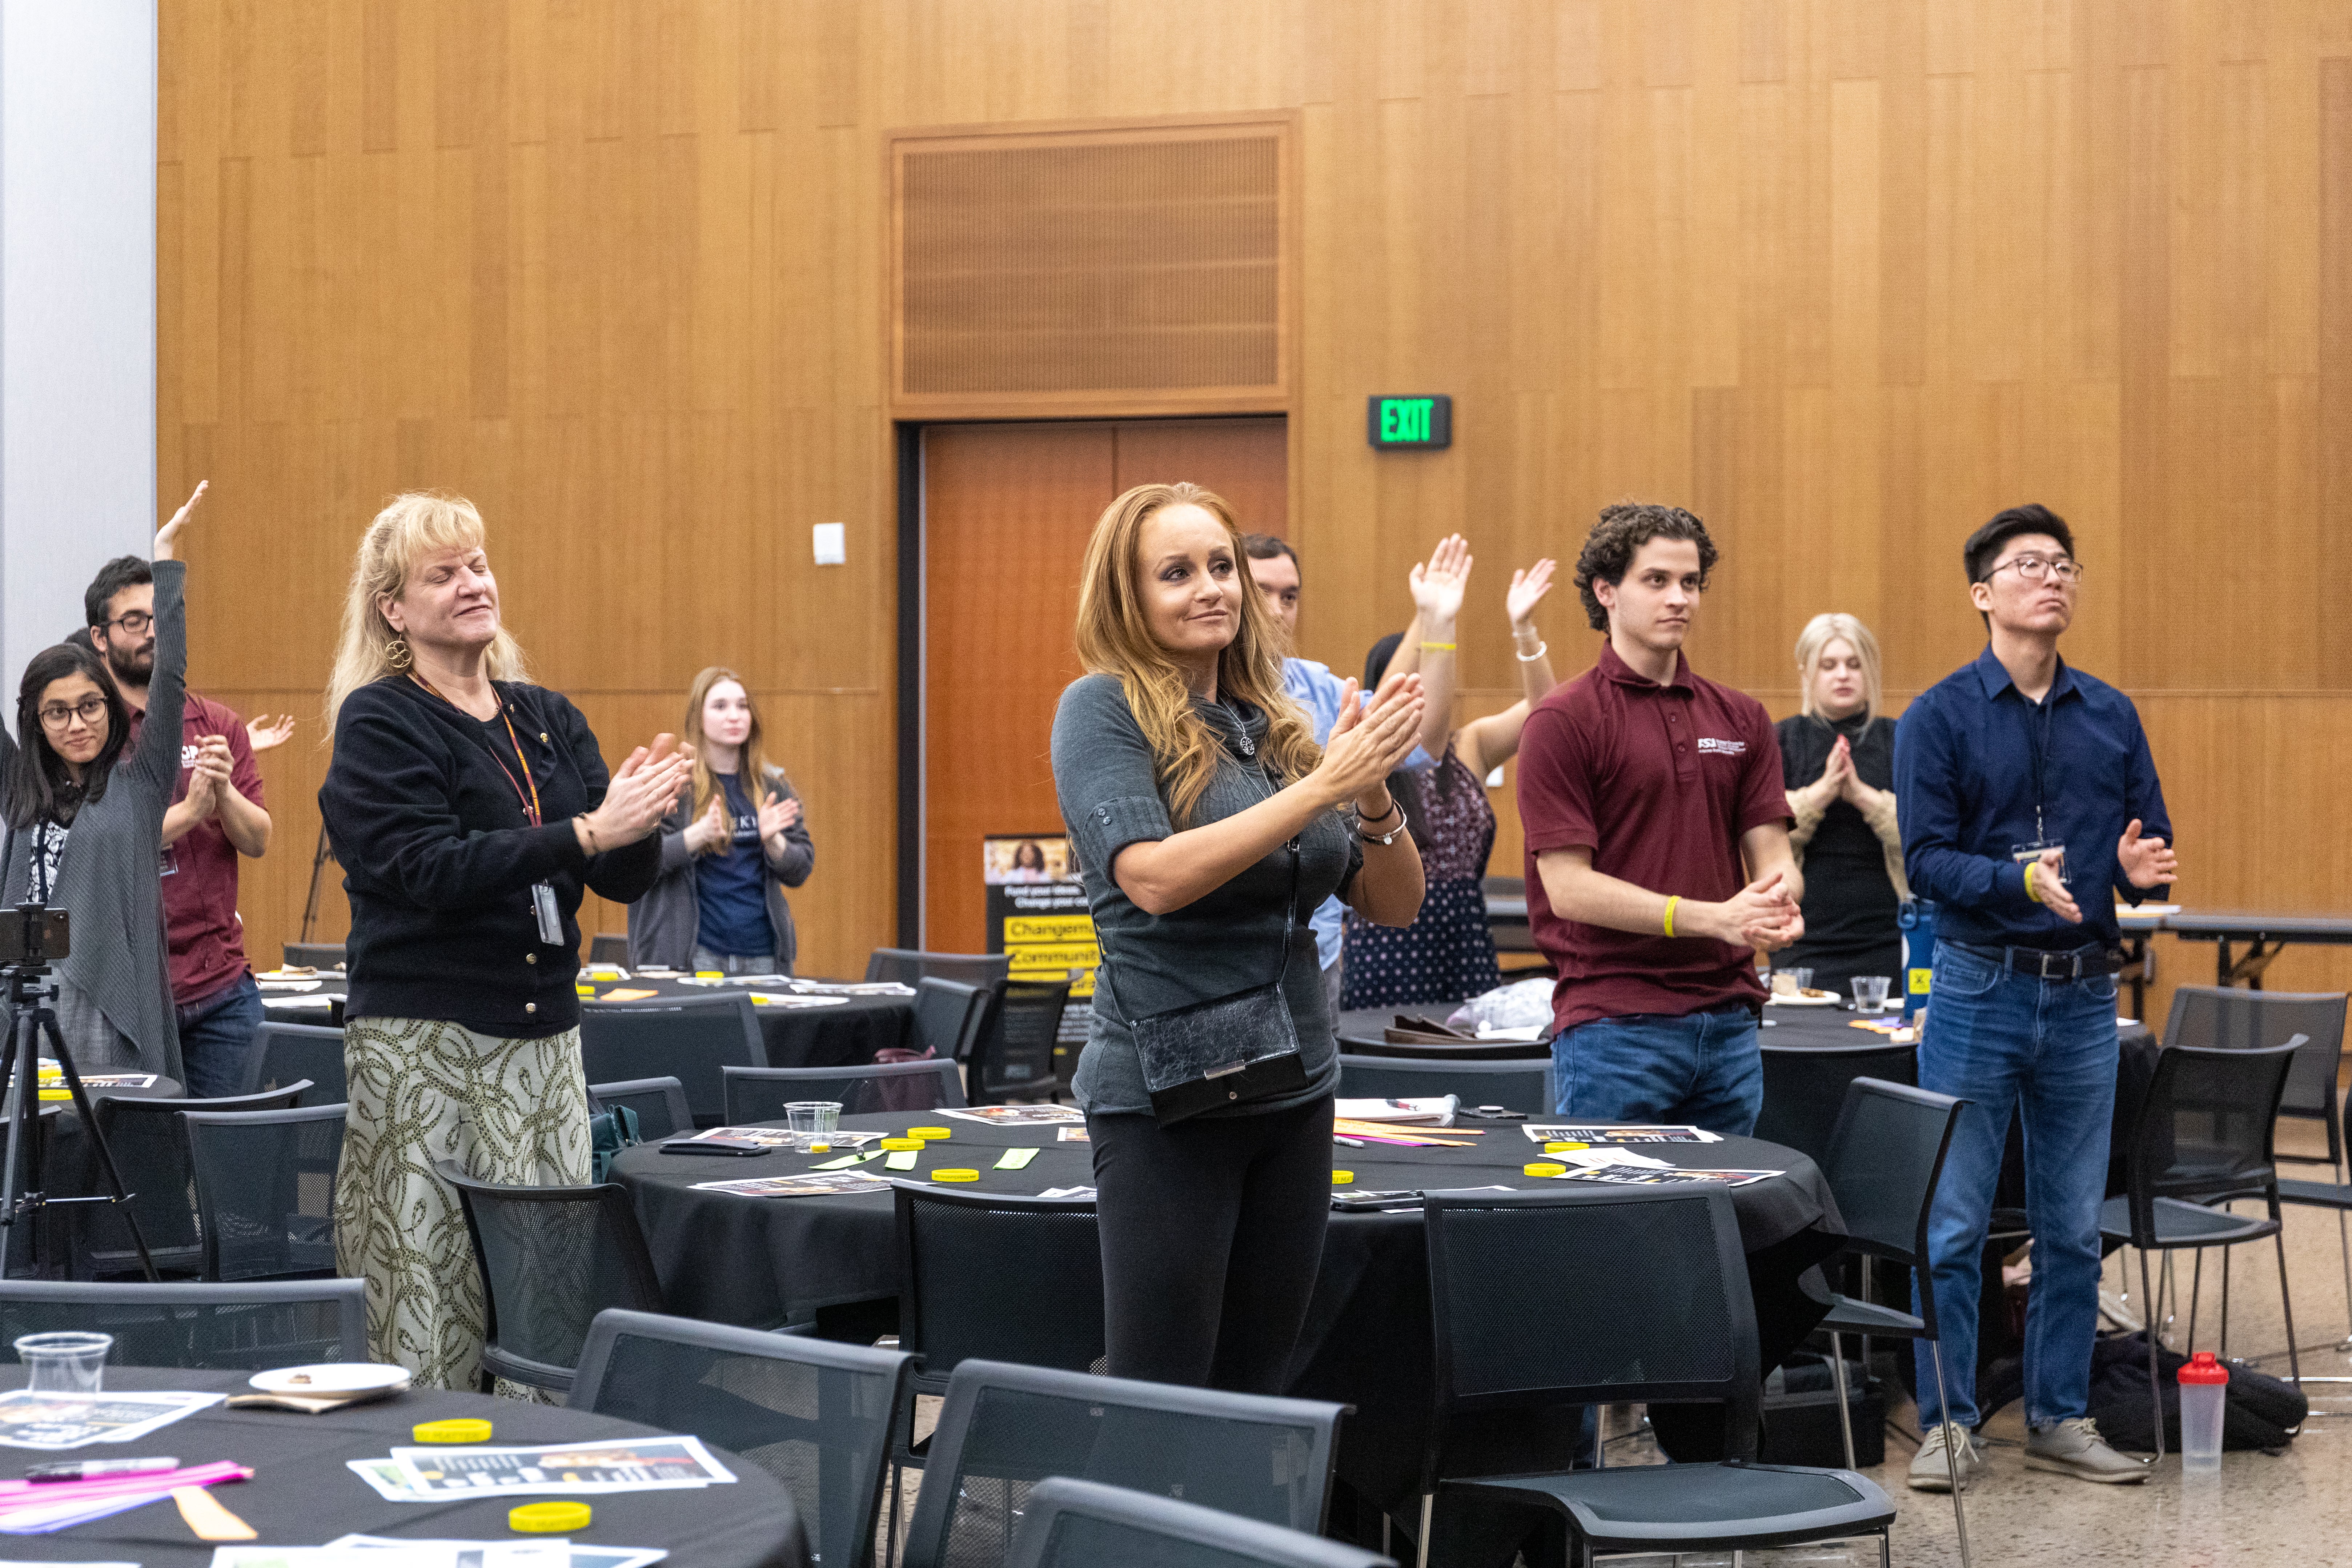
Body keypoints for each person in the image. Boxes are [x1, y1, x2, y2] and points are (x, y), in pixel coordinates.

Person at [1054, 482, 1426, 1392]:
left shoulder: (1276, 722)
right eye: (1176, 573)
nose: (1210, 587)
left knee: (1260, 1388)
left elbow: (1394, 903)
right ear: (1128, 596)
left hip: (1295, 1084)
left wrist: (1370, 787)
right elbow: (1151, 877)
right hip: (1167, 1098)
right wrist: (1320, 787)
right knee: (1166, 1392)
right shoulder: (1101, 707)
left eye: (1220, 566)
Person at [319, 492, 691, 1389]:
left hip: (544, 1056)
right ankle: (421, 1500)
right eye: (441, 574)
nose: (470, 584)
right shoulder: (380, 721)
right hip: (425, 1052)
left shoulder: (545, 717)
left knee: (544, 1305)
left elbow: (618, 881)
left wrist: (638, 824)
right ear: (395, 611)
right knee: (430, 1300)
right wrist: (590, 832)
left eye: (477, 565)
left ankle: (527, 1487)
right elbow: (427, 868)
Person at [1894, 503, 2175, 1492]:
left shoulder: (2109, 714)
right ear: (1982, 594)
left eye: (2062, 565)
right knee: (1955, 1224)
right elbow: (1925, 862)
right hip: (1977, 988)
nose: (2050, 578)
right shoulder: (1937, 716)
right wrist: (2012, 882)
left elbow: (2148, 846)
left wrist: (2141, 872)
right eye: (2027, 565)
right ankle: (1947, 1420)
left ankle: (2058, 1412)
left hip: (2083, 999)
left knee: (2066, 1225)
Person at [1516, 503, 1803, 1135]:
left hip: (1730, 1024)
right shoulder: (1563, 720)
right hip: (1615, 1027)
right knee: (1617, 1231)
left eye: (1691, 582)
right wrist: (1715, 917)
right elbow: (1568, 889)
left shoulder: (1742, 717)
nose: (1680, 598)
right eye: (1657, 580)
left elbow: (1774, 855)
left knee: (1728, 1229)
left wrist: (1778, 900)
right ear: (1606, 591)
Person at [0, 486, 209, 1084]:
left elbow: (169, 674)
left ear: (110, 707)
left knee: (109, 1154)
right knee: (36, 1156)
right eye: (57, 712)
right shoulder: (22, 787)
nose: (77, 724)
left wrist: (166, 562)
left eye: (90, 705)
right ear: (36, 721)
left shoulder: (141, 782)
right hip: (23, 998)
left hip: (105, 1001)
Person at [83, 520, 277, 1098]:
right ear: (100, 637)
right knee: (147, 1172)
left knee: (234, 1161)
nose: (150, 632)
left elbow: (259, 840)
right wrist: (191, 811)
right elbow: (98, 846)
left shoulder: (217, 723)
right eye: (132, 621)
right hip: (135, 996)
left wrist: (222, 795)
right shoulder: (88, 732)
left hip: (223, 991)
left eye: (158, 617)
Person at [1341, 541, 1559, 1008]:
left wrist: (1524, 630)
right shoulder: (1361, 755)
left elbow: (1546, 711)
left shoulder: (1471, 745)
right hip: (1391, 938)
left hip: (1466, 932)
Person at [627, 666, 814, 975]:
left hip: (764, 955)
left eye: (742, 706)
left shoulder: (773, 787)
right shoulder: (676, 784)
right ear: (698, 718)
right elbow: (638, 863)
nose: (734, 716)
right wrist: (698, 834)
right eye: (720, 706)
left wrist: (774, 841)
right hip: (695, 956)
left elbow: (800, 869)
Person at [1240, 534, 1353, 1016]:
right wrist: (1322, 789)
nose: (1276, 609)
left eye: (1288, 596)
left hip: (1314, 947)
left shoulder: (1314, 687)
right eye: (1260, 591)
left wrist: (1434, 624)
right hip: (1227, 959)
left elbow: (1420, 738)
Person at [1774, 612, 1907, 998]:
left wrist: (1862, 796)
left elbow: (1924, 831)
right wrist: (1822, 792)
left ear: (1869, 670)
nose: (1842, 675)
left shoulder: (1898, 738)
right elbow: (1763, 836)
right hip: (1800, 938)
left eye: (1853, 664)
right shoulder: (1781, 740)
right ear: (1807, 673)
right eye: (1828, 665)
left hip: (1889, 938)